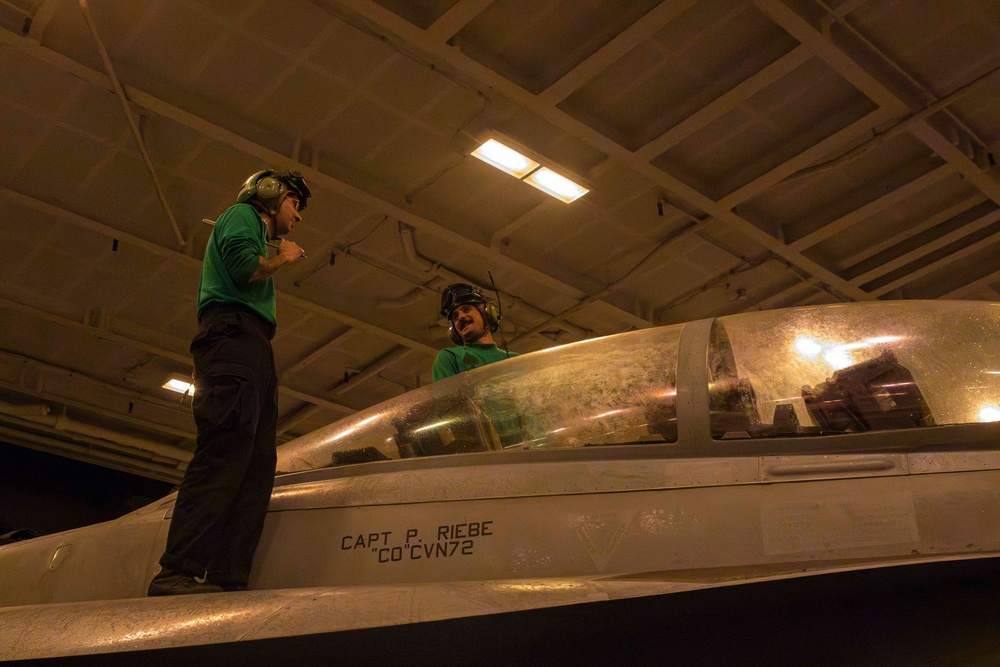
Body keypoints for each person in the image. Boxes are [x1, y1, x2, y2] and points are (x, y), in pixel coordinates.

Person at [147, 169, 310, 596]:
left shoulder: (258, 228)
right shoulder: (242, 215)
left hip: (253, 343)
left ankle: (227, 577)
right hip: (231, 336)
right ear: (272, 195)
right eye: (295, 203)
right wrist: (285, 257)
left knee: (256, 466)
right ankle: (176, 571)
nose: (298, 217)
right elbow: (242, 269)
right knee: (225, 451)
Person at [432, 283, 515, 381]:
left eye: (466, 310)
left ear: (487, 314)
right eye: (455, 317)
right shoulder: (450, 357)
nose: (461, 317)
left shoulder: (516, 360)